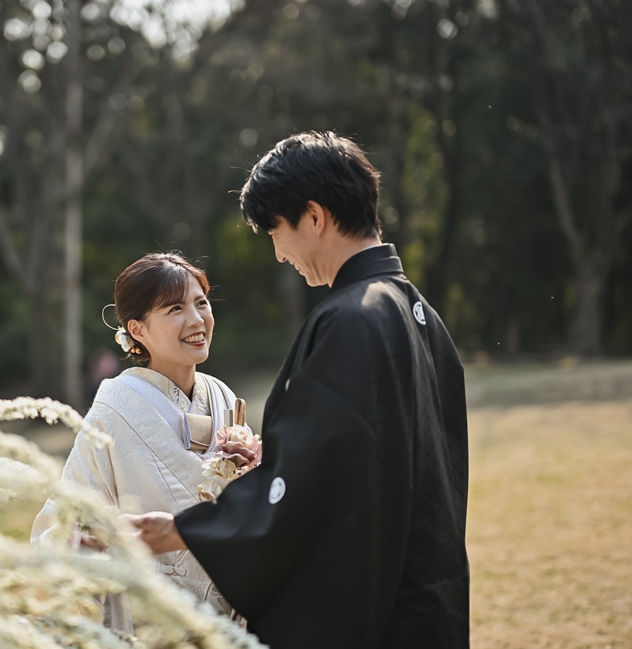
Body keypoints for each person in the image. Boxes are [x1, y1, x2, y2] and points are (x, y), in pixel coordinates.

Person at [130, 132, 470, 648]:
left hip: (377, 616)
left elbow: (309, 483)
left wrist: (184, 530)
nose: (278, 253)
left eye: (276, 231)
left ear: (313, 217)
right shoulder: (417, 311)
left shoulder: (352, 320)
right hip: (425, 593)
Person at [31, 252, 248, 633]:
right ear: (138, 330)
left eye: (201, 302)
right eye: (175, 308)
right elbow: (66, 521)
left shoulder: (223, 396)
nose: (197, 319)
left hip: (237, 606)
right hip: (157, 618)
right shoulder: (113, 412)